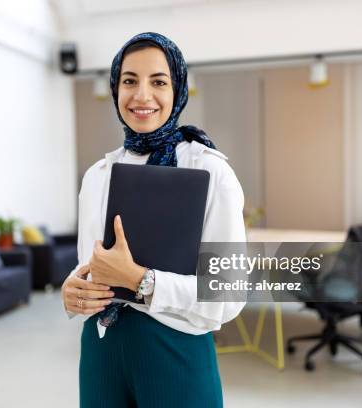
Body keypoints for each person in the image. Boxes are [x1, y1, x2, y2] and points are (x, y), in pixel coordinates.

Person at [61, 32, 246, 408]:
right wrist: (72, 292)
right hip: (101, 350)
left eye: (158, 81)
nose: (142, 95)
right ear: (115, 89)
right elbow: (89, 266)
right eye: (129, 81)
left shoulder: (209, 170)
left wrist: (142, 281)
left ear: (177, 89)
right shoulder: (98, 174)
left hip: (175, 349)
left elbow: (227, 293)